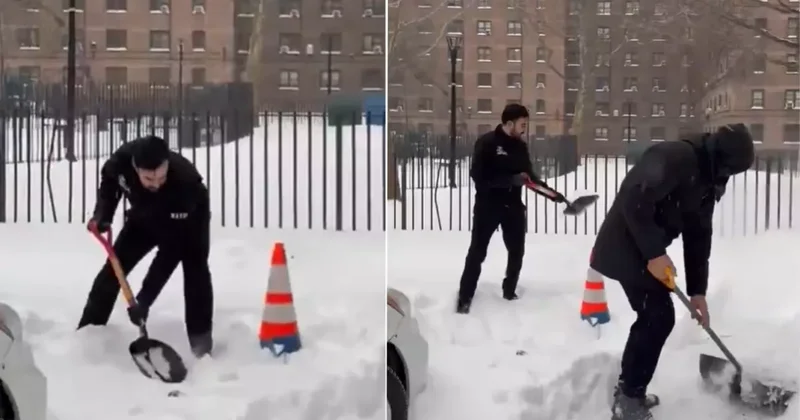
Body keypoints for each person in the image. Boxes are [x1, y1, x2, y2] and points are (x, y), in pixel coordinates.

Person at [590, 124, 755, 420]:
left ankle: (630, 391)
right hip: (625, 244)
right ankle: (628, 399)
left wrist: (698, 292)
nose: (729, 177)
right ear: (722, 159)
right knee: (657, 316)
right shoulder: (675, 157)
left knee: (654, 316)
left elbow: (698, 236)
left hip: (645, 250)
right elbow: (633, 199)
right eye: (731, 170)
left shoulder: (708, 180)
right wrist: (654, 253)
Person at [77, 135, 214, 358]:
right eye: (149, 178)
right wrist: (103, 214)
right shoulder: (121, 162)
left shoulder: (185, 185)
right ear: (135, 168)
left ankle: (201, 345)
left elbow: (170, 253)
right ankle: (88, 334)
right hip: (144, 215)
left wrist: (145, 298)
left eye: (161, 176)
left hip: (188, 219)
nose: (156, 183)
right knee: (113, 269)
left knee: (195, 269)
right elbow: (110, 183)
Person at [456, 104, 567, 314]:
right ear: (509, 123)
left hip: (513, 206)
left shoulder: (520, 147)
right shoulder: (487, 143)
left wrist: (551, 194)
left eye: (526, 123)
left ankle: (509, 292)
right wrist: (509, 180)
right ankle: (464, 298)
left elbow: (529, 178)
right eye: (522, 124)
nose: (525, 128)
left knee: (517, 251)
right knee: (477, 252)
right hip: (488, 206)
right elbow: (478, 177)